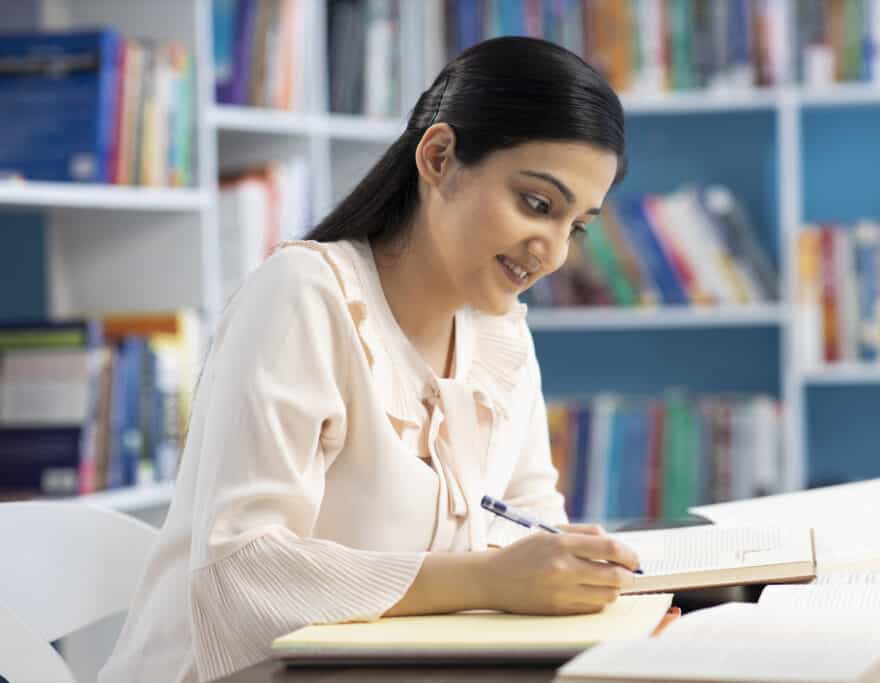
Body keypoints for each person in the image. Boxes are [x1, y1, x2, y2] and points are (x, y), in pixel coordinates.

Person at [99, 36, 640, 683]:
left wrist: (565, 567)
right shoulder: (302, 295)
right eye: (536, 204)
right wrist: (487, 578)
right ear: (438, 157)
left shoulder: (503, 335)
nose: (551, 252)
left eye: (575, 225)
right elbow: (242, 572)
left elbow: (531, 520)